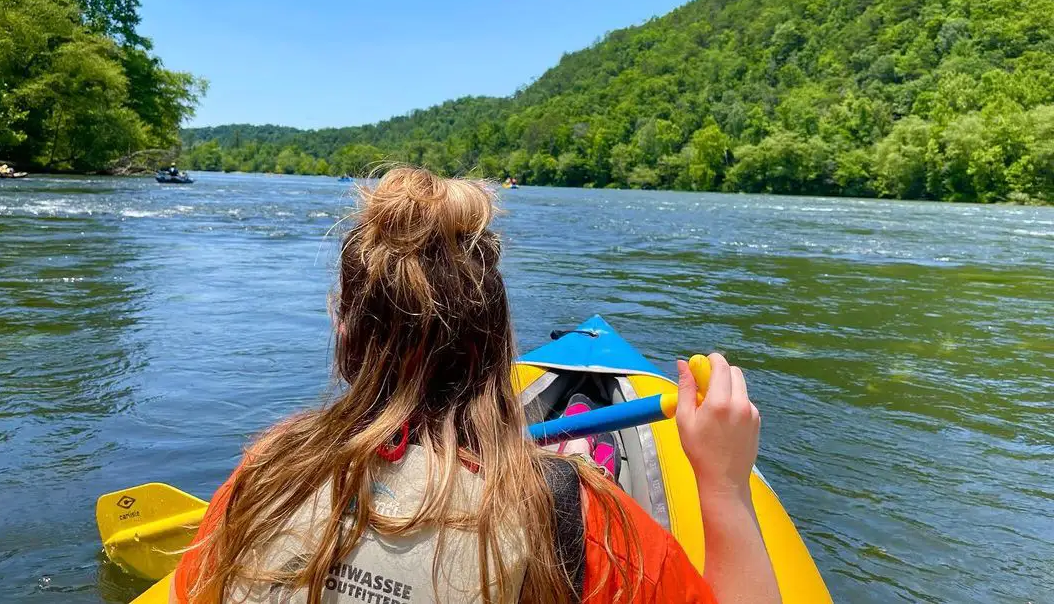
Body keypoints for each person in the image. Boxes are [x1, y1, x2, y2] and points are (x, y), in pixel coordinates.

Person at [168, 168, 780, 604]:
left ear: (342, 328)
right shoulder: (582, 521)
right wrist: (724, 487)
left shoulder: (268, 471)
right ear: (497, 337)